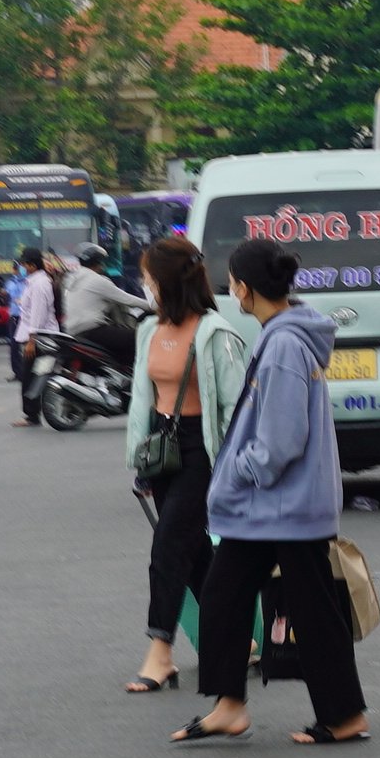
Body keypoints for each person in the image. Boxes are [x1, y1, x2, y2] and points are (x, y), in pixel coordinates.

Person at [175, 241, 365, 748]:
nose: (229, 289)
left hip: (281, 505)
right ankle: (229, 705)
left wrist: (236, 471)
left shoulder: (282, 345)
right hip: (276, 508)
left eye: (232, 280)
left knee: (310, 610)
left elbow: (280, 441)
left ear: (245, 287)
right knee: (227, 597)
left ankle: (343, 715)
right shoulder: (283, 335)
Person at [124, 238, 248, 696]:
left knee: (168, 545)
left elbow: (237, 407)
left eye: (149, 277)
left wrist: (237, 469)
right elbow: (142, 397)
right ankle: (240, 636)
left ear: (169, 281)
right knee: (196, 556)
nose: (145, 284)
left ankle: (161, 652)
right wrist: (138, 454)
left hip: (203, 451)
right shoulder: (147, 330)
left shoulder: (215, 332)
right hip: (162, 449)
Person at [62, 244, 149, 373]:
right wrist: (155, 305)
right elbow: (128, 300)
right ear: (98, 263)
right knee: (138, 337)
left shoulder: (71, 278)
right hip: (93, 330)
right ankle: (134, 374)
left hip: (73, 332)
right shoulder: (97, 280)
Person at [12, 247, 62, 425]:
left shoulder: (40, 284)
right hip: (35, 336)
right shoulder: (33, 282)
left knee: (30, 377)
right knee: (32, 376)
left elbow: (38, 314)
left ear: (32, 265)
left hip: (40, 338)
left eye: (25, 264)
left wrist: (32, 340)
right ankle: (33, 413)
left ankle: (32, 415)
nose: (23, 266)